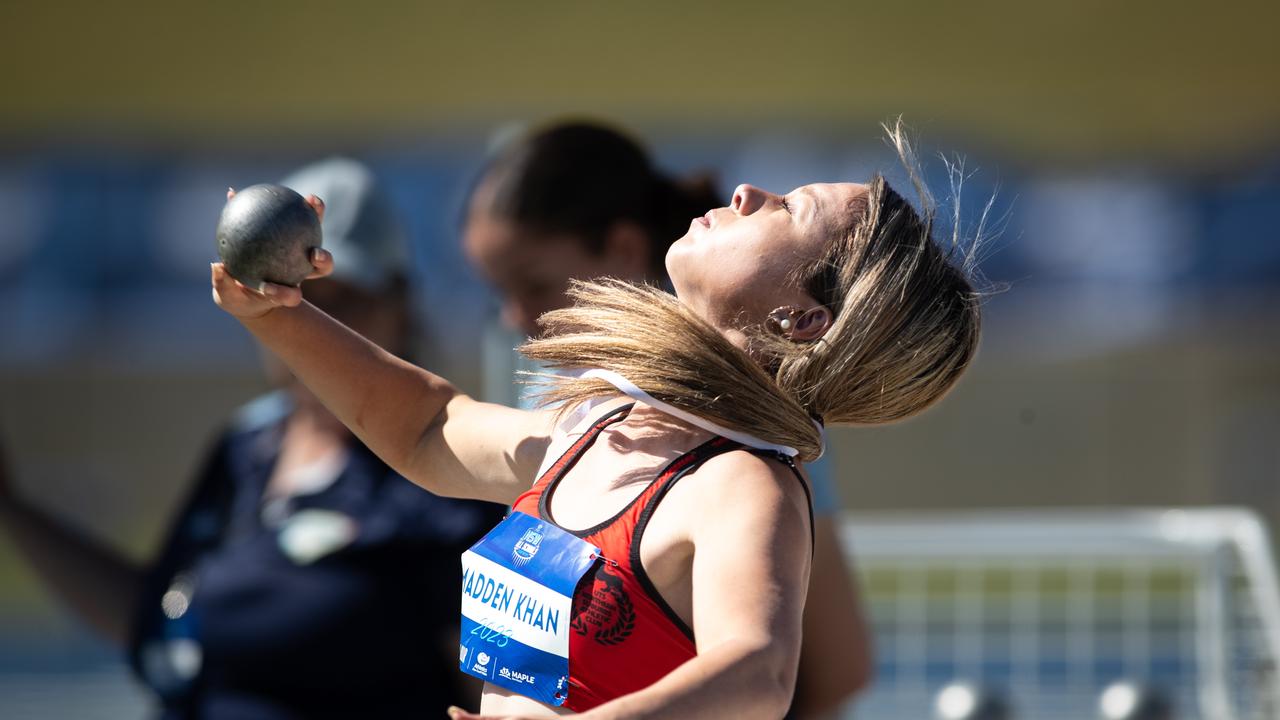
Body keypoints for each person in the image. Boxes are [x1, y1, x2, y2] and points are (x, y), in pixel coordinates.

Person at [210, 122, 982, 720]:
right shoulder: (600, 419)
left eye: (791, 209)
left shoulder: (744, 487)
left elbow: (759, 671)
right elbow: (426, 428)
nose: (749, 191)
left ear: (801, 320)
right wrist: (282, 317)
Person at [0, 158, 503, 719]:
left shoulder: (441, 476)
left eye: (343, 302)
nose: (311, 324)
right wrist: (12, 507)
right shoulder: (247, 445)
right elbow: (161, 620)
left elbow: (488, 696)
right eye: (291, 295)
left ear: (400, 302)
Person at [461, 121, 872, 717]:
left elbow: (829, 670)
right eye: (498, 291)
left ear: (624, 250)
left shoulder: (744, 442)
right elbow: (426, 426)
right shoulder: (577, 399)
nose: (512, 317)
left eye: (534, 284)